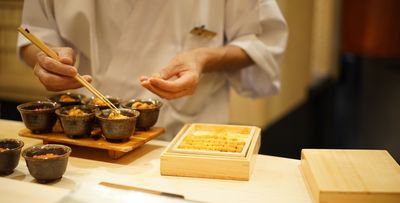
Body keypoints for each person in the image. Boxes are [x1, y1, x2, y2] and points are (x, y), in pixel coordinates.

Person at [18, 0, 288, 140]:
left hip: (183, 134)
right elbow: (35, 30)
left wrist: (203, 57)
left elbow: (262, 42)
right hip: (89, 131)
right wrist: (47, 58)